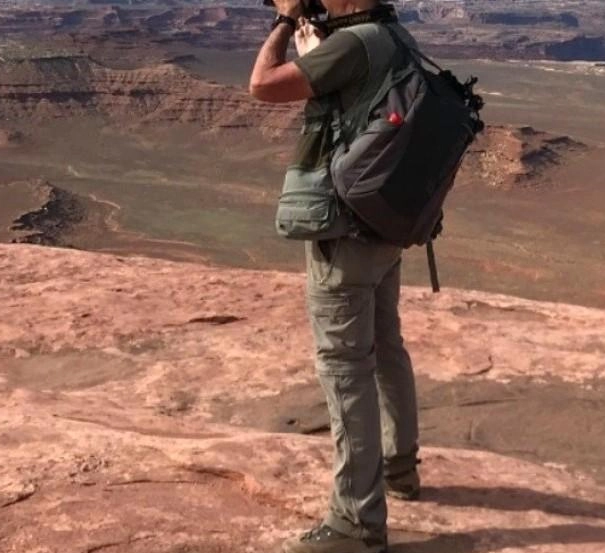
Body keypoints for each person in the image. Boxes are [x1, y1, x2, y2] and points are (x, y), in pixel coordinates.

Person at [249, 1, 420, 552]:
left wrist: (282, 20)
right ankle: (400, 465)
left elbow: (264, 85)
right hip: (386, 225)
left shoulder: (353, 44)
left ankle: (356, 524)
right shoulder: (394, 36)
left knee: (346, 370)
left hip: (344, 231)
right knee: (385, 345)